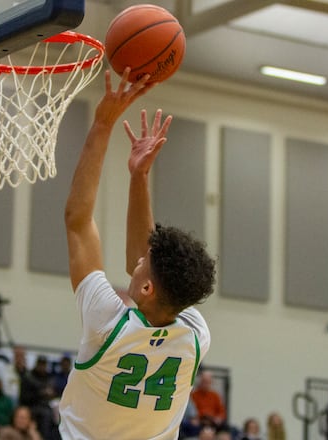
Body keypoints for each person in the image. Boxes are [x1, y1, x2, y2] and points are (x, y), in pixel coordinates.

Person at [58, 69, 216, 439]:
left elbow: (78, 221)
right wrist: (138, 176)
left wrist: (102, 123)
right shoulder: (194, 338)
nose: (139, 259)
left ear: (147, 289)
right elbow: (141, 264)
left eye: (146, 263)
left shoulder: (106, 323)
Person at [18, 356, 55, 439]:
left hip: (45, 405)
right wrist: (40, 393)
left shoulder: (49, 377)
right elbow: (24, 397)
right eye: (40, 364)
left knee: (55, 414)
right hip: (30, 405)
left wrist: (51, 394)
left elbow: (54, 394)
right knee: (45, 414)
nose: (42, 367)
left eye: (44, 365)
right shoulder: (28, 377)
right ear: (36, 364)